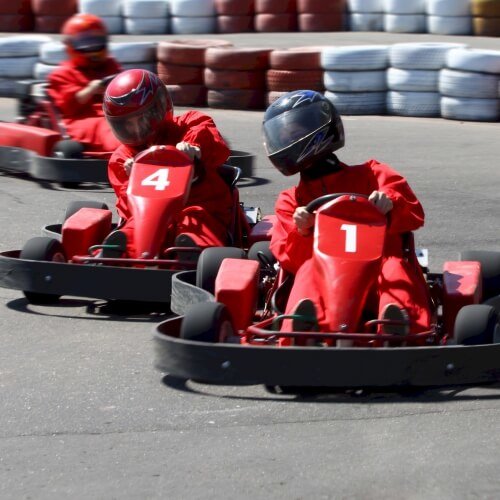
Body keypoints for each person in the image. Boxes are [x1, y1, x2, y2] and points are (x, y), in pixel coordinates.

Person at [263, 89, 432, 335]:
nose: (291, 141)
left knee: (394, 267)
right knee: (308, 270)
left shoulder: (372, 175)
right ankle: (299, 331)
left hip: (376, 278)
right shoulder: (291, 201)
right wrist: (303, 230)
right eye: (285, 137)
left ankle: (399, 329)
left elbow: (414, 212)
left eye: (297, 133)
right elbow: (291, 261)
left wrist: (389, 203)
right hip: (325, 285)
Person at [102, 68, 233, 257]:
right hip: (148, 219)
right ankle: (119, 251)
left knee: (194, 222)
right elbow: (126, 209)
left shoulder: (189, 124)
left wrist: (192, 151)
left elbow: (213, 143)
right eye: (127, 124)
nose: (136, 129)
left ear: (159, 108)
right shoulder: (121, 159)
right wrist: (133, 183)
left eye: (142, 119)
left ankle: (192, 252)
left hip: (199, 204)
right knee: (133, 226)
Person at [47, 13, 122, 154]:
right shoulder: (62, 73)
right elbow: (68, 107)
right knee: (109, 125)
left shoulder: (111, 65)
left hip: (116, 112)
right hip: (83, 118)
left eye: (97, 41)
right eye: (86, 42)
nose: (93, 47)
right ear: (70, 45)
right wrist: (91, 89)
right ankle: (126, 151)